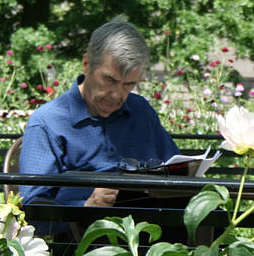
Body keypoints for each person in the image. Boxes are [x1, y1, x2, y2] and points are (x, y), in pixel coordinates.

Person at [18, 20, 177, 210]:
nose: (117, 95)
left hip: (154, 229)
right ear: (86, 65)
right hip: (81, 234)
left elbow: (177, 173)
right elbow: (32, 210)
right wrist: (86, 206)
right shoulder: (48, 122)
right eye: (109, 80)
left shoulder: (140, 110)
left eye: (129, 85)